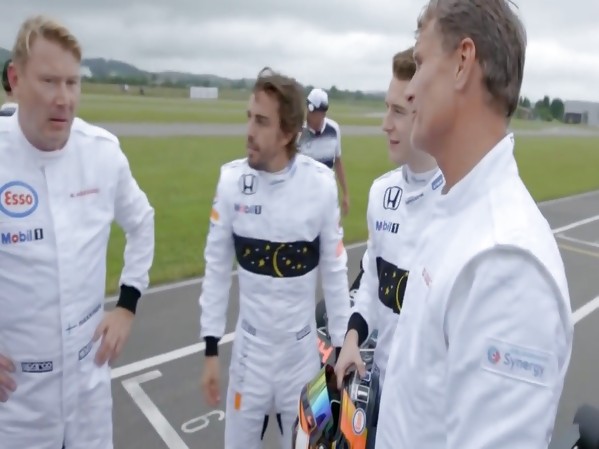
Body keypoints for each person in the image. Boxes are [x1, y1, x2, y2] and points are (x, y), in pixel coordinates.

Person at [375, 2, 573, 449]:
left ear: (463, 62)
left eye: (421, 63)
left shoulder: (505, 262)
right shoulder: (457, 210)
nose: (410, 92)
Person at [0, 15, 155, 449]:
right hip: (16, 403)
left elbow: (142, 222)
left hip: (89, 389)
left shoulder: (102, 153)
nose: (64, 99)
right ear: (15, 79)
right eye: (49, 81)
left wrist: (126, 306)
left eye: (73, 83)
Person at [198, 67, 352, 449]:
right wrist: (210, 349)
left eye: (262, 121)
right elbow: (216, 270)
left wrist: (340, 349)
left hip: (304, 361)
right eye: (249, 117)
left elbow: (335, 272)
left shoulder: (320, 186)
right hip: (248, 358)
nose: (249, 131)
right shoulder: (230, 183)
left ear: (288, 133)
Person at [334, 47, 443, 389]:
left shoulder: (459, 203)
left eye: (398, 111)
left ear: (426, 113)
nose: (385, 124)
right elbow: (372, 279)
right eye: (386, 108)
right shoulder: (382, 193)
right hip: (379, 391)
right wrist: (352, 337)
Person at [297, 87, 350, 216]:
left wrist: (345, 194)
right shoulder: (298, 133)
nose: (321, 117)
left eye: (323, 113)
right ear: (309, 110)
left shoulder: (333, 129)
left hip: (328, 195)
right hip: (305, 196)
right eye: (318, 113)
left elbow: (338, 161)